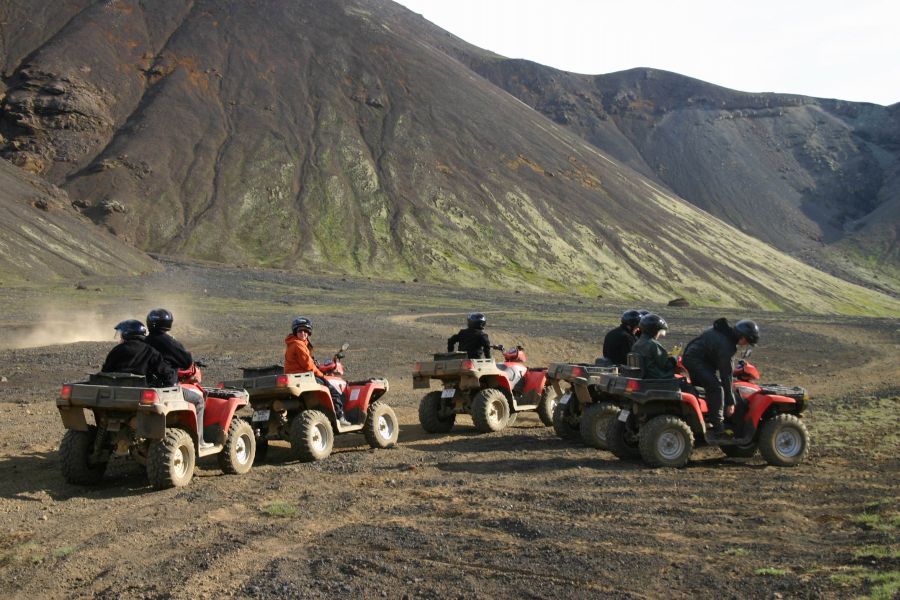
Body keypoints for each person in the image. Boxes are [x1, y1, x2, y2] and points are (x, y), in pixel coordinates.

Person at [682, 318, 760, 441]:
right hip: (696, 361)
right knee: (717, 389)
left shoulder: (721, 332)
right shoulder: (727, 346)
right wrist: (730, 402)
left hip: (693, 358)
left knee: (708, 387)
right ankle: (718, 430)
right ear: (743, 337)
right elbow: (726, 375)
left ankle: (706, 419)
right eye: (747, 342)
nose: (745, 345)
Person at [284, 316, 351, 427]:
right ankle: (340, 417)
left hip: (296, 376)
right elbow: (308, 366)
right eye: (300, 330)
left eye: (306, 331)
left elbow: (307, 363)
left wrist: (317, 368)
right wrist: (321, 375)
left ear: (309, 332)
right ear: (295, 331)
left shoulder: (293, 343)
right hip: (303, 376)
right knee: (333, 391)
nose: (303, 333)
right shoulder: (298, 345)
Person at [630, 313, 677, 379]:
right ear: (655, 330)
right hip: (657, 377)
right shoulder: (653, 344)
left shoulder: (637, 343)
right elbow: (665, 365)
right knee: (684, 382)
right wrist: (674, 358)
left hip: (643, 376)